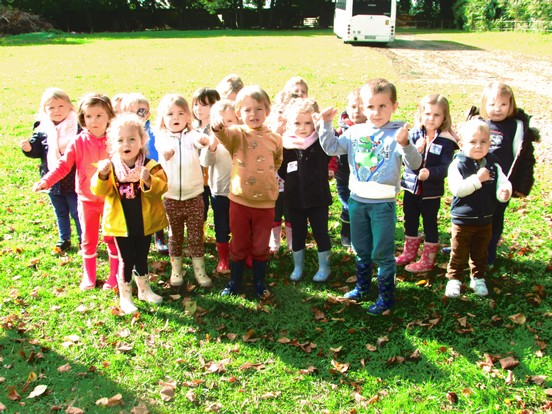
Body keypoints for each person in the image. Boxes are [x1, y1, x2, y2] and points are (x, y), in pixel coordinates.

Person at [319, 78, 422, 315]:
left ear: (394, 106)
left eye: (382, 106)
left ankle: (386, 297)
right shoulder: (355, 132)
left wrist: (406, 144)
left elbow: (415, 164)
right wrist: (325, 123)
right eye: (370, 107)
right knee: (361, 247)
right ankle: (363, 287)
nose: (376, 113)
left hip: (382, 205)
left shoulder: (398, 133)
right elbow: (331, 148)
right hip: (357, 201)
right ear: (363, 108)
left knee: (382, 253)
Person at [35, 93, 119, 291]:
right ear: (82, 118)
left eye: (99, 115)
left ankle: (114, 276)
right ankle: (89, 276)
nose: (94, 121)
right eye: (89, 116)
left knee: (111, 239)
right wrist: (46, 180)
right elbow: (63, 166)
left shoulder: (115, 141)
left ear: (109, 116)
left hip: (111, 200)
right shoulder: (78, 142)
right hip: (86, 199)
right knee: (88, 239)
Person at [91, 114, 168, 314]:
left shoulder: (150, 166)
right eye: (120, 140)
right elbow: (100, 191)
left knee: (142, 255)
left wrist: (150, 181)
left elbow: (162, 188)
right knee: (126, 259)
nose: (126, 143)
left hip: (144, 222)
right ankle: (125, 296)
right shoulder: (110, 167)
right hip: (120, 224)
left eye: (132, 139)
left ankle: (144, 289)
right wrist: (102, 176)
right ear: (113, 144)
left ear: (142, 141)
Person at [211, 85, 283, 298]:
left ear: (267, 111)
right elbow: (224, 136)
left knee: (260, 245)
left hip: (266, 203)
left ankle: (259, 283)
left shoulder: (275, 138)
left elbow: (277, 161)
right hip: (240, 201)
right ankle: (235, 282)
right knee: (239, 243)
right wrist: (217, 128)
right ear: (239, 114)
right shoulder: (237, 134)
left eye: (259, 109)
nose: (253, 114)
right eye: (247, 110)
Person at [445, 119, 511, 298]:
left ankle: (478, 278)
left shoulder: (493, 164)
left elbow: (503, 181)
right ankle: (454, 279)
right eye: (473, 142)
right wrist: (477, 179)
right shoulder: (457, 165)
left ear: (489, 143)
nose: (478, 146)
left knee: (480, 252)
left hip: (485, 218)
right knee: (459, 251)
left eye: (483, 142)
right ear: (461, 144)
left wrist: (503, 191)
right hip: (463, 220)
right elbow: (458, 189)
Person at [475, 82, 539, 268]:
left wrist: (521, 185)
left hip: (502, 185)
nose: (497, 109)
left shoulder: (517, 127)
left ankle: (489, 252)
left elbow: (526, 158)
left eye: (503, 105)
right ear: (484, 104)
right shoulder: (480, 123)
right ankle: (469, 245)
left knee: (495, 218)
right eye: (493, 104)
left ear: (511, 106)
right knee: (474, 216)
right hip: (479, 182)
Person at [154, 94, 212, 288]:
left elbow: (202, 140)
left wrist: (205, 140)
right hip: (171, 197)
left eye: (180, 113)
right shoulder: (161, 137)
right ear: (162, 118)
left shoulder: (192, 134)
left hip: (194, 195)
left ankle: (199, 270)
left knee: (196, 235)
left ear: (188, 116)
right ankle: (176, 270)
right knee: (174, 235)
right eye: (169, 114)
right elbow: (163, 150)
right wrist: (167, 152)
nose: (175, 117)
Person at [397, 94, 458, 272]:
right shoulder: (413, 134)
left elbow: (446, 167)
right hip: (411, 188)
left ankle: (428, 259)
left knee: (430, 222)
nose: (431, 119)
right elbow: (401, 160)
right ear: (420, 115)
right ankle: (409, 253)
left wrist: (430, 173)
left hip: (431, 191)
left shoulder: (446, 141)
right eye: (428, 114)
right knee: (410, 219)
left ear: (444, 117)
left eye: (437, 115)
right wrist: (413, 150)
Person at [21, 87, 82, 252]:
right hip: (52, 178)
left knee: (77, 211)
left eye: (61, 106)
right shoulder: (42, 129)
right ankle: (64, 239)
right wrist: (28, 148)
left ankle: (83, 239)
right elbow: (38, 150)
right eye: (52, 108)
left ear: (70, 106)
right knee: (60, 211)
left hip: (72, 177)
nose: (57, 111)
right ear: (45, 110)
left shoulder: (77, 126)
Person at [278, 98, 332, 282]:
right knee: (298, 234)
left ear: (314, 122)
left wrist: (323, 124)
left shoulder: (320, 143)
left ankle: (324, 267)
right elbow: (281, 169)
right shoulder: (286, 146)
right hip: (294, 200)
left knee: (320, 232)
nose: (302, 127)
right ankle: (298, 267)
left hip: (318, 199)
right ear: (289, 124)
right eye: (297, 123)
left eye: (308, 123)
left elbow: (331, 148)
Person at [121, 92, 169, 255]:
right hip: (131, 174)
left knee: (155, 204)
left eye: (141, 111)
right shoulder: (123, 133)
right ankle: (136, 234)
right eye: (132, 112)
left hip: (152, 172)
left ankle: (159, 236)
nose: (137, 116)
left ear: (148, 113)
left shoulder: (154, 131)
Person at [200, 99, 238, 274]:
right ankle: (223, 259)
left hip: (240, 191)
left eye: (230, 121)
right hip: (219, 191)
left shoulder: (240, 138)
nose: (225, 126)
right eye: (221, 122)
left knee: (240, 225)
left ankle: (241, 253)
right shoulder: (211, 141)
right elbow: (205, 162)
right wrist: (213, 146)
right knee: (221, 225)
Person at [332, 87, 367, 247]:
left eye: (361, 107)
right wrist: (332, 167)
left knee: (361, 206)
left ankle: (362, 232)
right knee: (348, 204)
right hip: (344, 174)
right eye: (353, 107)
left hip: (363, 175)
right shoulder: (342, 130)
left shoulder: (372, 129)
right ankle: (346, 231)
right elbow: (331, 151)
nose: (357, 111)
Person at [191, 87, 221, 225]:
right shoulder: (191, 127)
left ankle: (221, 234)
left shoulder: (217, 127)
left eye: (204, 105)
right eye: (196, 104)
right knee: (200, 208)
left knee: (218, 207)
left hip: (214, 176)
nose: (198, 109)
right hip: (196, 178)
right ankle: (200, 232)